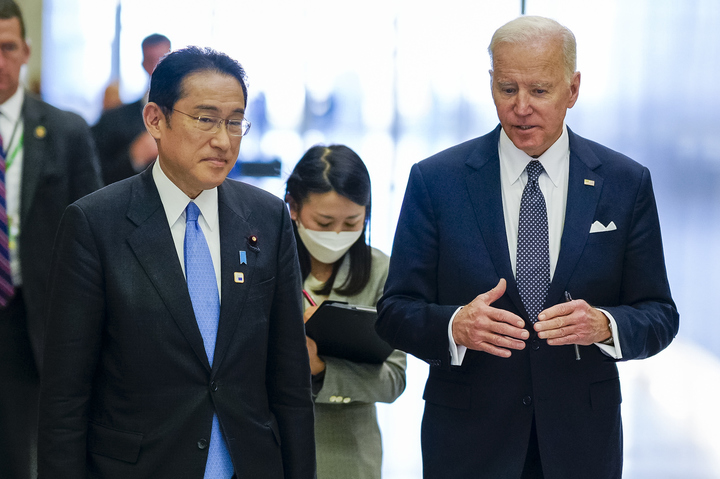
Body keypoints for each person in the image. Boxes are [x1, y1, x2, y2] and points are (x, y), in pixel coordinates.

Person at [376, 15, 679, 479]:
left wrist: (604, 325)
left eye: (539, 91)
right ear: (491, 84)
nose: (520, 108)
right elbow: (395, 310)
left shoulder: (624, 183)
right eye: (507, 88)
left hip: (581, 442)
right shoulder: (436, 181)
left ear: (572, 90)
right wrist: (455, 325)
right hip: (467, 442)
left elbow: (659, 313)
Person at [38, 46, 316, 478]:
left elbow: (290, 382)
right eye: (205, 119)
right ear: (155, 120)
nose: (223, 140)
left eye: (235, 121)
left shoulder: (267, 218)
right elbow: (65, 397)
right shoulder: (95, 224)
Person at [0, 1, 103, 477]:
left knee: (21, 451)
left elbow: (94, 239)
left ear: (26, 52)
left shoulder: (64, 131)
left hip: (30, 312)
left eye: (7, 48)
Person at [286, 144, 406, 479]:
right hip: (274, 448)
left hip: (350, 455)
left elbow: (394, 380)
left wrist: (322, 368)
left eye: (352, 221)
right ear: (292, 207)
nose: (337, 235)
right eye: (324, 222)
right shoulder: (265, 266)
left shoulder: (382, 271)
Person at [92, 33, 171, 185]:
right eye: (152, 61)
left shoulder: (194, 117)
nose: (158, 68)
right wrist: (134, 157)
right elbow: (95, 175)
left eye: (163, 61)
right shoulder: (114, 120)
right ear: (143, 64)